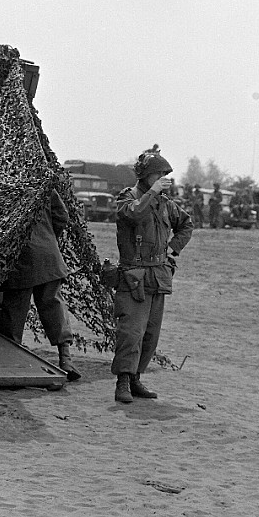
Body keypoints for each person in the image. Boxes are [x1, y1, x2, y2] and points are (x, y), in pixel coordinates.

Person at [110, 146, 193, 402]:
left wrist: (172, 250)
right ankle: (122, 383)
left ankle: (136, 380)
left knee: (150, 334)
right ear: (145, 176)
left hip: (158, 276)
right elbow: (134, 215)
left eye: (164, 175)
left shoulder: (166, 204)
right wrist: (153, 193)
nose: (162, 179)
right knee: (131, 332)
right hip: (133, 277)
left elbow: (187, 225)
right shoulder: (128, 199)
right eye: (157, 174)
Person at [0, 188, 83, 381]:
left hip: (20, 258)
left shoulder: (3, 186)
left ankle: (9, 358)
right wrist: (48, 238)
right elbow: (62, 215)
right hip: (48, 256)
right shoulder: (43, 185)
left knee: (15, 309)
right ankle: (65, 359)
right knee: (53, 305)